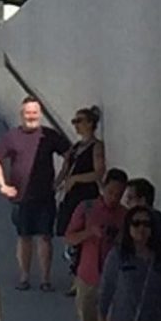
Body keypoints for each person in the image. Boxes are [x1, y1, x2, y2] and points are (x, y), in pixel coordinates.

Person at [0, 98, 69, 291]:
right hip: (20, 197)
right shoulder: (12, 137)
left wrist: (60, 180)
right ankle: (24, 276)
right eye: (28, 112)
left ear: (39, 114)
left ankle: (45, 279)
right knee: (24, 237)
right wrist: (2, 185)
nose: (31, 116)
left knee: (44, 237)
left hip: (45, 196)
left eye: (34, 112)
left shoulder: (49, 136)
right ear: (21, 114)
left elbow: (69, 155)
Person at [62, 172, 129, 321]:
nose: (113, 197)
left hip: (115, 282)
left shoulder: (125, 215)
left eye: (118, 194)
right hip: (88, 277)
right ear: (103, 188)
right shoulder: (87, 208)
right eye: (110, 192)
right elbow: (69, 237)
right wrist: (90, 232)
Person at [53, 107, 107, 278]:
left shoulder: (96, 147)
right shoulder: (75, 147)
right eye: (74, 121)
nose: (76, 125)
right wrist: (56, 185)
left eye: (79, 121)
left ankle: (82, 275)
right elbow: (65, 169)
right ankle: (75, 272)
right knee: (70, 233)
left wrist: (76, 179)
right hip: (71, 195)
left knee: (84, 232)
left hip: (86, 194)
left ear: (90, 123)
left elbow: (99, 172)